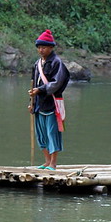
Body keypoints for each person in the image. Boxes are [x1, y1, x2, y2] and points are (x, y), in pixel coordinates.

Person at [28, 30, 70, 171]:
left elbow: (57, 83)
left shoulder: (56, 63)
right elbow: (34, 84)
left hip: (52, 103)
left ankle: (53, 163)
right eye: (39, 47)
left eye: (44, 47)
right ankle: (46, 161)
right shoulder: (37, 63)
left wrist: (41, 90)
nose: (41, 50)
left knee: (52, 132)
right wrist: (32, 102)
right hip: (39, 104)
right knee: (41, 134)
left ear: (51, 48)